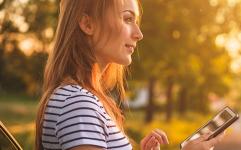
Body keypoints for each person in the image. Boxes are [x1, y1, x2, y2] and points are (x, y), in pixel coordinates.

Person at [35, 0, 224, 149]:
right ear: (87, 24)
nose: (139, 33)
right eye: (127, 19)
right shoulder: (77, 104)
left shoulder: (80, 99)